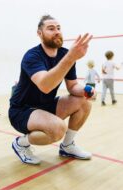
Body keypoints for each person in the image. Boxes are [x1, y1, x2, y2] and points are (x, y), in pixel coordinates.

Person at [9, 15, 94, 165]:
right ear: (39, 33)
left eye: (58, 28)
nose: (56, 31)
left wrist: (86, 90)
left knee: (84, 102)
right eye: (51, 28)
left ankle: (67, 146)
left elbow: (73, 86)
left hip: (45, 106)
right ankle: (21, 144)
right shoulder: (32, 56)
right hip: (22, 110)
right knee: (58, 129)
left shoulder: (64, 54)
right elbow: (45, 86)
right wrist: (70, 57)